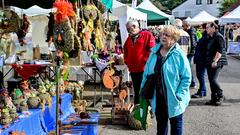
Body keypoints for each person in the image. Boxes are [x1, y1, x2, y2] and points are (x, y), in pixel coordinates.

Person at [140, 25, 191, 135]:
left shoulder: (179, 55)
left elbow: (186, 78)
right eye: (162, 34)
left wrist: (179, 95)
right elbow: (146, 74)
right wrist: (143, 91)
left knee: (176, 125)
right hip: (158, 97)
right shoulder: (154, 53)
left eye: (167, 35)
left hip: (174, 97)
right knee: (161, 127)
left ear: (174, 39)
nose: (163, 37)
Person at [123, 20, 155, 104]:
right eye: (127, 29)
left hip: (144, 68)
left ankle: (146, 110)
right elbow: (125, 49)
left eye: (129, 29)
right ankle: (137, 108)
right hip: (133, 68)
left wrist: (144, 60)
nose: (129, 31)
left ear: (135, 26)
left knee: (144, 89)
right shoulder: (129, 38)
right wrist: (127, 61)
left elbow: (151, 49)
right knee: (136, 90)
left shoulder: (147, 35)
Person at [205, 22, 228, 106]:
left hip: (217, 61)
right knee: (211, 80)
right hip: (209, 61)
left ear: (213, 28)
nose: (206, 29)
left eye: (207, 27)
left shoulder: (219, 37)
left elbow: (219, 51)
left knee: (214, 80)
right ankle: (214, 98)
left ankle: (221, 95)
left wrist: (215, 61)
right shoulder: (209, 37)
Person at [192, 23, 208, 98]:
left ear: (205, 28)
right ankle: (202, 90)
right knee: (200, 75)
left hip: (202, 59)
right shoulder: (205, 36)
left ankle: (202, 91)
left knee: (201, 75)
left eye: (201, 28)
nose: (200, 29)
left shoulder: (206, 37)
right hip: (200, 59)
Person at [183, 20, 197, 88]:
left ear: (186, 25)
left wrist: (189, 52)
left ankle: (192, 83)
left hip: (190, 53)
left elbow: (193, 44)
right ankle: (192, 83)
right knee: (188, 68)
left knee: (188, 68)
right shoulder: (192, 31)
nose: (182, 27)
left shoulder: (190, 32)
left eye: (183, 26)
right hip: (191, 52)